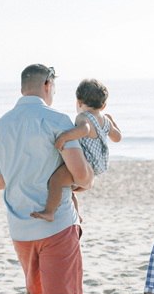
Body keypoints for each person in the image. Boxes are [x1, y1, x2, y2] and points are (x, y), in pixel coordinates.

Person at [0, 64, 94, 294]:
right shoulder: (57, 121)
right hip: (57, 225)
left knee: (33, 292)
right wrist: (84, 178)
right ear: (47, 84)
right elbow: (82, 176)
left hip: (20, 226)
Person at [31, 78, 122, 221]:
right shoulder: (106, 120)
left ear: (79, 102)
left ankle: (49, 211)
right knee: (69, 190)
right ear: (103, 105)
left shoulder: (83, 117)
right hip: (98, 166)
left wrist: (64, 137)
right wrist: (112, 123)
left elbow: (85, 129)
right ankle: (77, 215)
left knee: (56, 181)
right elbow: (117, 137)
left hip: (85, 163)